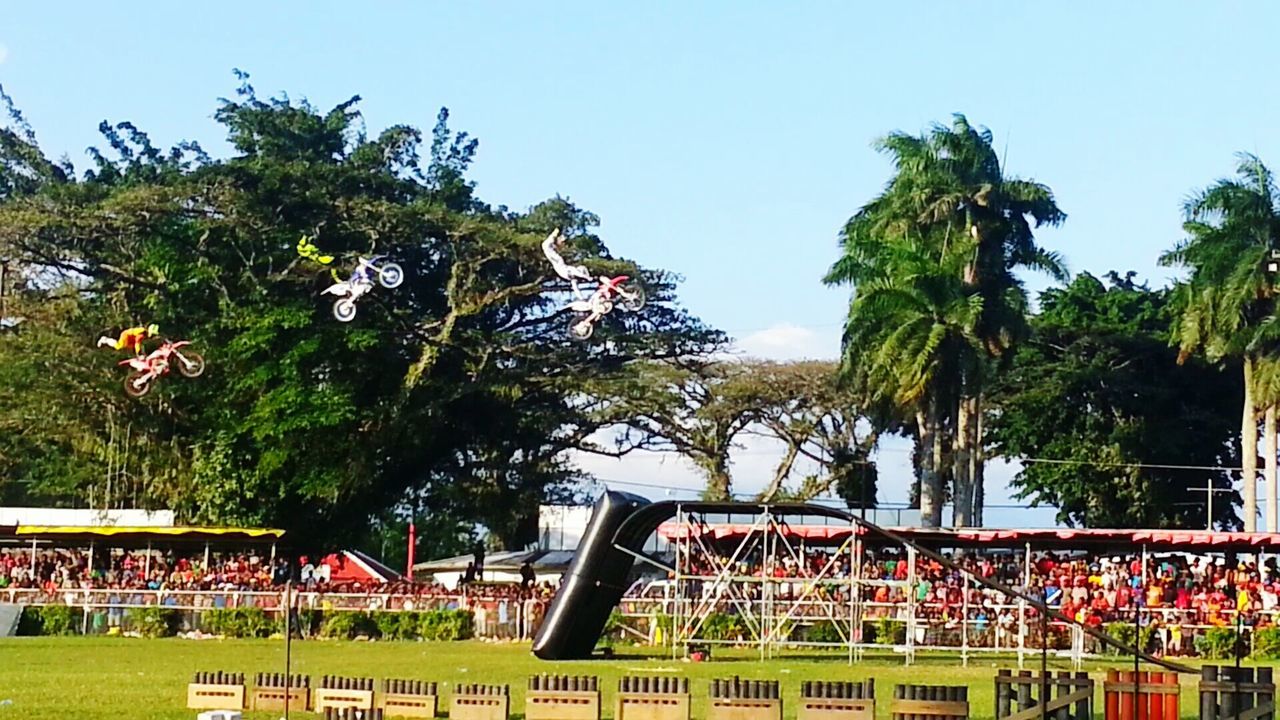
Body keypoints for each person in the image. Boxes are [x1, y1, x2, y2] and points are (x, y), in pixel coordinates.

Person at [541, 228, 595, 299]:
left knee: (577, 271)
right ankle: (584, 285)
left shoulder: (572, 275)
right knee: (576, 270)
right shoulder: (555, 254)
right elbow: (547, 246)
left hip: (563, 270)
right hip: (563, 269)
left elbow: (548, 246)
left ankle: (581, 297)